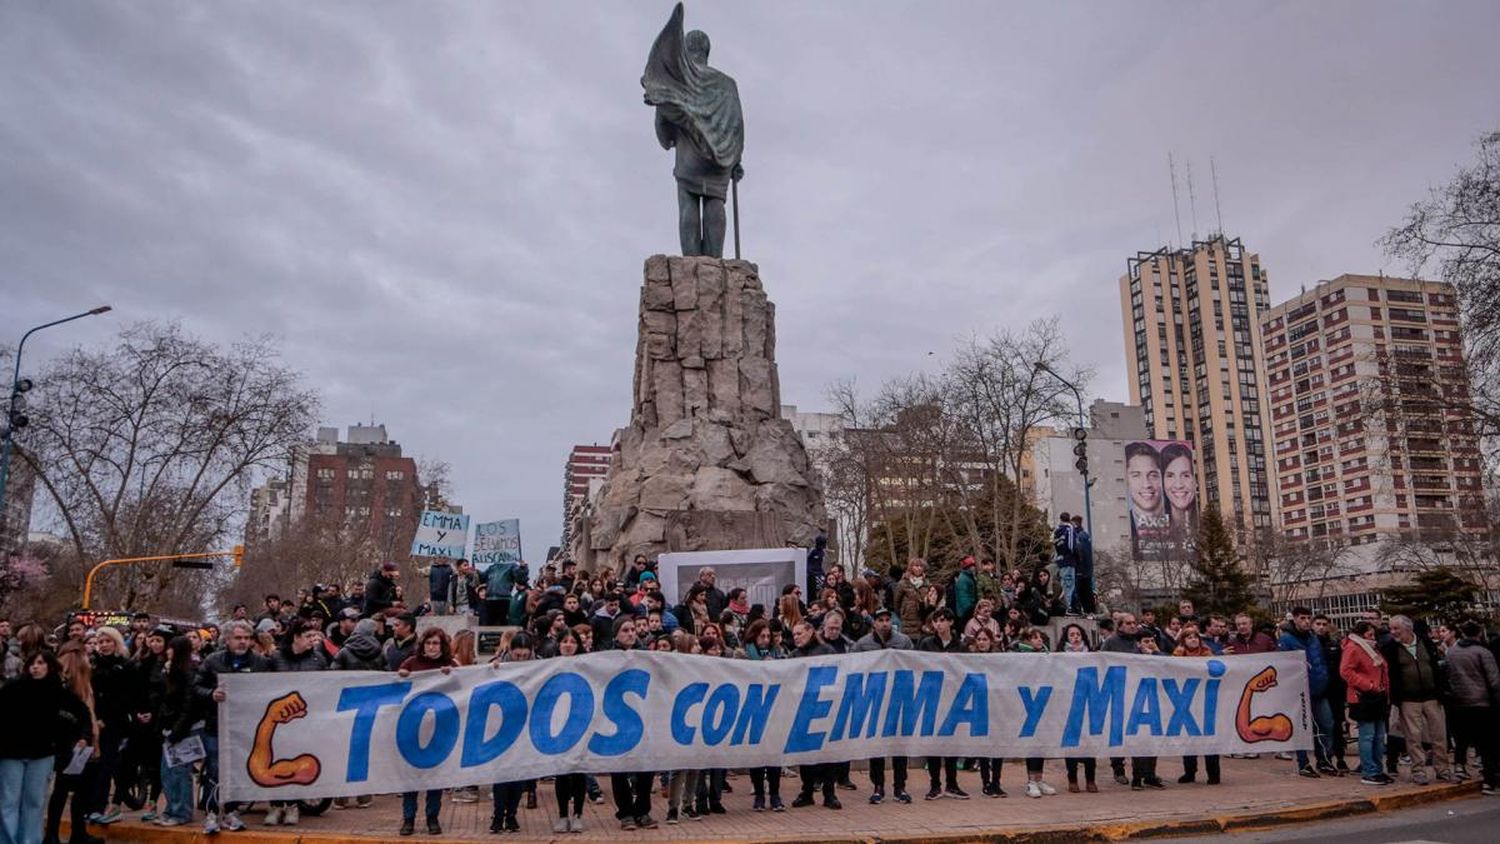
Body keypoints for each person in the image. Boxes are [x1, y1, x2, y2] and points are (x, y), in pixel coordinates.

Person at [1, 650, 94, 844]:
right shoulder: (14, 687)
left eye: (41, 663)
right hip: (11, 752)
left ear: (50, 666)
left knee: (35, 801)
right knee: (9, 800)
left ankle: (30, 840)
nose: (36, 667)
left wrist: (84, 736)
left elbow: (82, 712)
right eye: (32, 663)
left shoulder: (58, 691)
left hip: (43, 753)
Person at [194, 619, 268, 833]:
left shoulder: (260, 664)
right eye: (238, 638)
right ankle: (211, 812)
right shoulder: (212, 661)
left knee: (237, 770)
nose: (243, 642)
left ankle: (232, 812)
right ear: (227, 640)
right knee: (215, 770)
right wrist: (211, 694)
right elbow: (197, 686)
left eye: (246, 638)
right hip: (215, 725)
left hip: (245, 728)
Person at [396, 629, 455, 836]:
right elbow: (398, 686)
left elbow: (464, 689)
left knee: (434, 778)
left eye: (436, 643)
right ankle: (408, 819)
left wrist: (453, 676)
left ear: (442, 646)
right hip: (412, 729)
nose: (431, 647)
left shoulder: (451, 665)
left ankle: (432, 818)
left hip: (439, 731)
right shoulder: (411, 663)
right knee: (411, 777)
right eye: (428, 643)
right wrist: (402, 676)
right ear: (423, 645)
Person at [44, 643, 104, 844]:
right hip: (74, 742)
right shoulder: (70, 679)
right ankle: (63, 834)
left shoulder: (75, 680)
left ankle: (68, 833)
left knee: (72, 789)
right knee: (69, 789)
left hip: (79, 740)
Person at [852, 608, 913, 805]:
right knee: (876, 746)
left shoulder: (903, 642)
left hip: (898, 699)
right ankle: (878, 786)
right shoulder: (863, 644)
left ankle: (900, 786)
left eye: (888, 619)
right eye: (881, 620)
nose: (885, 623)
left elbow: (914, 663)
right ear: (874, 623)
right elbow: (853, 667)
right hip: (875, 700)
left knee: (899, 746)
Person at [1380, 614, 1451, 784]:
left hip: (1432, 696)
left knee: (1439, 735)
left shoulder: (1425, 643)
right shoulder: (1390, 648)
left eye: (1396, 628)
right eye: (1391, 629)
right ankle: (1418, 770)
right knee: (1413, 736)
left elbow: (1434, 666)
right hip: (1408, 699)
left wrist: (1442, 690)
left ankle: (1443, 769)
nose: (1393, 632)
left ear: (1408, 628)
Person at [789, 621, 841, 810]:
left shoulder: (826, 651)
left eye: (799, 633)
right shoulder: (793, 656)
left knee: (827, 754)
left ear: (810, 632)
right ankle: (807, 791)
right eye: (794, 634)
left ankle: (829, 793)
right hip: (803, 710)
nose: (796, 637)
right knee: (806, 755)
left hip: (825, 709)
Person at [85, 626, 134, 827]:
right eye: (100, 642)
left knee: (106, 765)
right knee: (91, 767)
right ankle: (89, 805)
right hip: (91, 720)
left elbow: (125, 697)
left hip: (112, 723)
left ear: (116, 643)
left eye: (107, 641)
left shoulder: (124, 665)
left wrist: (105, 718)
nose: (103, 645)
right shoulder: (92, 664)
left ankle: (100, 806)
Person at [488, 633, 536, 834]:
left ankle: (512, 815)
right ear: (510, 652)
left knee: (518, 776)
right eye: (517, 655)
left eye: (525, 656)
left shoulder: (540, 667)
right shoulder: (496, 665)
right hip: (502, 727)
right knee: (501, 775)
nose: (521, 659)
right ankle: (498, 816)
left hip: (525, 727)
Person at [1278, 607, 1335, 778]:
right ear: (1294, 619)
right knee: (1302, 728)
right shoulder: (1287, 639)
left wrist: (1323, 678)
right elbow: (1283, 665)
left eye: (1308, 618)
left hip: (1318, 688)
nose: (1306, 621)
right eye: (1302, 618)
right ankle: (1303, 762)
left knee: (1327, 724)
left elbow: (1319, 660)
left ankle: (1324, 759)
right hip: (1298, 692)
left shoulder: (1313, 638)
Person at [918, 608, 968, 801]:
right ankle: (935, 784)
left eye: (942, 621)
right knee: (934, 744)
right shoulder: (926, 643)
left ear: (951, 623)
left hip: (953, 698)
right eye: (935, 621)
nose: (938, 624)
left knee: (951, 744)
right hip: (933, 697)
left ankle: (952, 783)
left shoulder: (960, 646)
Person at [1446, 620, 1500, 795]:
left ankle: (1459, 767)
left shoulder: (1452, 652)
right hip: (1482, 703)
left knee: (1462, 738)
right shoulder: (1483, 652)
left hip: (1459, 701)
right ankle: (1489, 781)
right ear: (1478, 633)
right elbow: (1494, 680)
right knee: (1487, 744)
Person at [1342, 620, 1392, 785]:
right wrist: (1368, 685)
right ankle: (1369, 770)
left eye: (1373, 634)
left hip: (1377, 695)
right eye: (1369, 634)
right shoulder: (1354, 648)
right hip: (1364, 696)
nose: (1373, 637)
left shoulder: (1372, 648)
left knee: (1378, 735)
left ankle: (1377, 769)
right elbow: (1346, 671)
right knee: (1368, 734)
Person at [549, 630, 590, 830]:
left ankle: (578, 814)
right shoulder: (548, 667)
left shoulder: (586, 665)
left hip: (580, 724)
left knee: (578, 771)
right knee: (562, 772)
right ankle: (563, 815)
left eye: (573, 641)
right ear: (558, 644)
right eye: (564, 641)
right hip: (557, 725)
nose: (568, 645)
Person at [1172, 627, 1221, 785]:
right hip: (1186, 700)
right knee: (1189, 738)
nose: (1193, 639)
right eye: (1189, 637)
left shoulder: (1208, 655)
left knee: (1210, 739)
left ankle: (1213, 774)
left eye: (1195, 637)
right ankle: (1190, 772)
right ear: (1183, 640)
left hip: (1207, 700)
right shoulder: (1177, 656)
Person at [1056, 624, 1098, 793]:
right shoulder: (1060, 657)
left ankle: (1090, 779)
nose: (1075, 637)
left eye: (1078, 634)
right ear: (1067, 638)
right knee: (1071, 743)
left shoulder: (1092, 655)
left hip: (1089, 702)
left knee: (1090, 742)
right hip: (1068, 702)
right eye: (1072, 634)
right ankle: (1072, 779)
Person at [1052, 513, 1078, 616]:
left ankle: (1063, 606)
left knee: (1063, 583)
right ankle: (1067, 607)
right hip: (1068, 559)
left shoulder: (1057, 530)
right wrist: (1075, 556)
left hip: (1060, 560)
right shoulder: (1069, 528)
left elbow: (1055, 544)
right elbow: (1071, 545)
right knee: (1068, 583)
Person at [892, 559, 927, 636]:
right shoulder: (903, 583)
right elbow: (896, 602)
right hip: (907, 620)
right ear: (911, 567)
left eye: (921, 566)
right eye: (916, 566)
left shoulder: (926, 583)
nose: (919, 568)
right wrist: (903, 612)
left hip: (921, 619)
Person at [1070, 515, 1096, 615]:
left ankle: (1080, 609)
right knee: (1087, 590)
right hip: (1087, 570)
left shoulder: (1079, 536)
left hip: (1081, 569)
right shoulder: (1086, 535)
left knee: (1080, 591)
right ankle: (1089, 611)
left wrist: (1077, 565)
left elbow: (1080, 552)